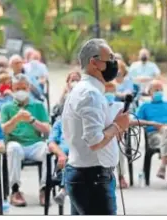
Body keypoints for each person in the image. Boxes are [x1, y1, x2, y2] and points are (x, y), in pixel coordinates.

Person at [61, 38, 130, 215]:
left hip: (87, 176)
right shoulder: (90, 94)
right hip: (92, 178)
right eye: (110, 58)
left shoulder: (83, 90)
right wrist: (116, 126)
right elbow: (95, 141)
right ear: (94, 62)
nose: (114, 63)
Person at [1, 75, 51, 207]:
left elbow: (47, 129)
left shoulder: (38, 106)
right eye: (17, 88)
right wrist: (16, 119)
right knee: (13, 149)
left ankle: (45, 189)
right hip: (16, 143)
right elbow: (3, 130)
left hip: (35, 143)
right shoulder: (6, 107)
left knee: (48, 150)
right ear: (12, 88)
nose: (20, 91)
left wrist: (32, 120)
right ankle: (15, 190)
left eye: (23, 88)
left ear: (28, 88)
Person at [132, 80, 167, 188]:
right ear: (149, 92)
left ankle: (163, 164)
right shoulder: (144, 106)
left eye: (161, 90)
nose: (159, 92)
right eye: (156, 90)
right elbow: (135, 121)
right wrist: (152, 123)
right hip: (154, 135)